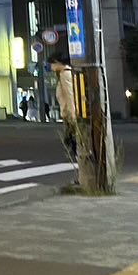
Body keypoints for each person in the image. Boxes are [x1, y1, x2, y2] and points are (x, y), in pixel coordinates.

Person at [50, 53, 79, 182]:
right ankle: (81, 175)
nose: (51, 66)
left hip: (70, 116)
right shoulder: (64, 74)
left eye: (52, 63)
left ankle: (82, 176)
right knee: (73, 145)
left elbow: (70, 96)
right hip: (68, 115)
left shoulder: (65, 75)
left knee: (74, 145)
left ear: (58, 63)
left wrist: (72, 118)